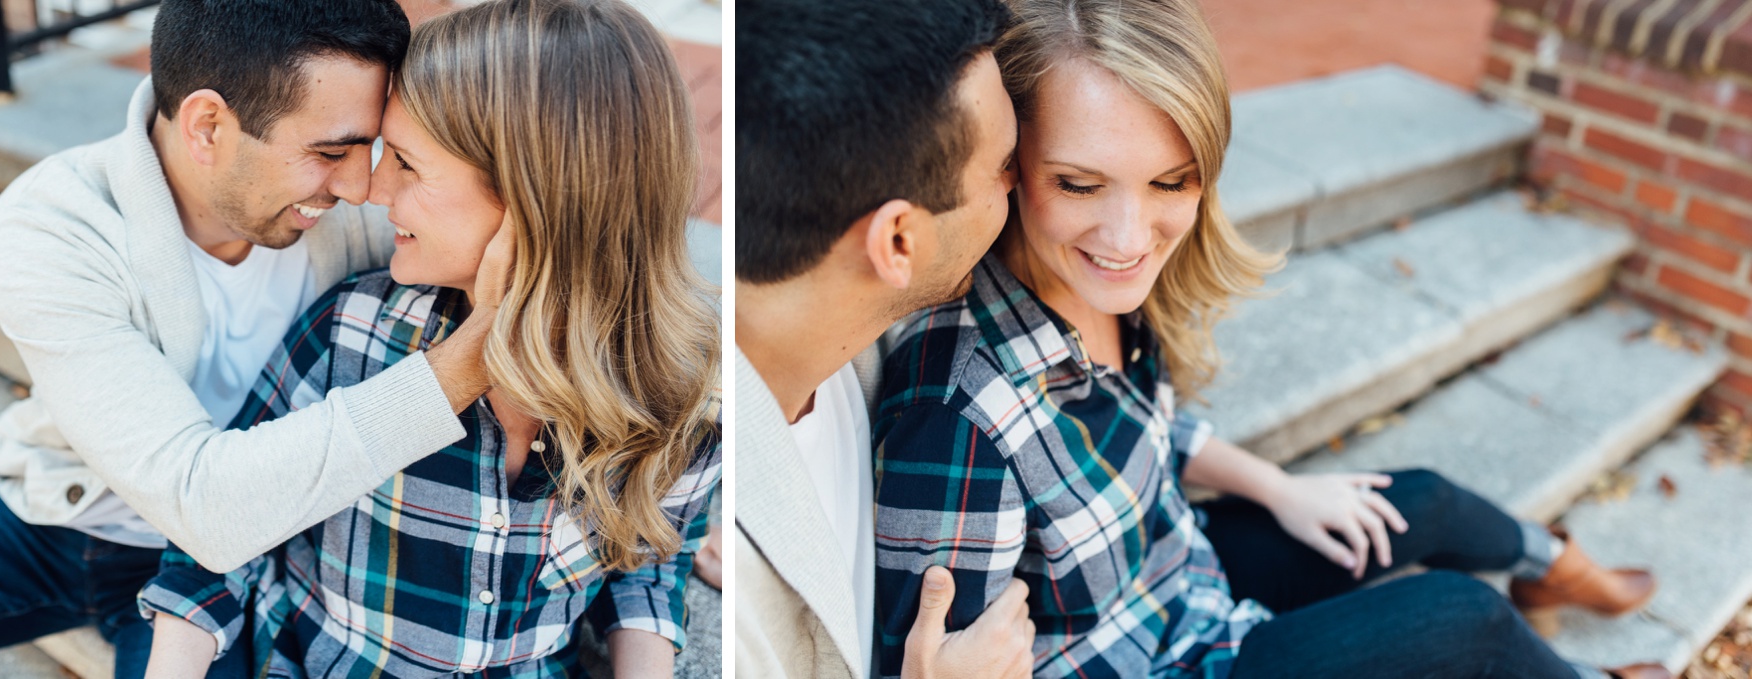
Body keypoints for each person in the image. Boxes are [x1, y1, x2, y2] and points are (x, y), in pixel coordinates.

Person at [868, 1, 1669, 678]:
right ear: (1011, 165)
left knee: (1411, 502)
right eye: (1079, 183)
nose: (1128, 235)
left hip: (1181, 577)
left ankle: (1559, 572)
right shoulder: (959, 423)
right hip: (1160, 660)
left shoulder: (1095, 289)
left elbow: (1139, 429)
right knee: (1459, 616)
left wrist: (1282, 489)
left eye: (1169, 182)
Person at [0, 2, 504, 677]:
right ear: (206, 125)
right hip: (60, 517)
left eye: (367, 150)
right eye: (329, 152)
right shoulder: (46, 226)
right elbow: (202, 500)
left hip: (246, 566)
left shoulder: (363, 214)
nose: (362, 186)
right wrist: (472, 357)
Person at [136, 1, 720, 676]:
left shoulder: (685, 396)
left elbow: (649, 558)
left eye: (406, 164)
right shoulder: (351, 332)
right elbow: (217, 539)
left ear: (534, 199)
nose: (370, 188)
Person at [735, 0, 1037, 677]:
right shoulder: (742, 612)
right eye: (1005, 166)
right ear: (899, 240)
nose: (1022, 187)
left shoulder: (848, 329)